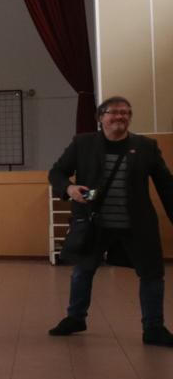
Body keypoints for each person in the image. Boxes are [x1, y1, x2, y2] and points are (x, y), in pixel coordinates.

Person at [48, 96, 173, 345]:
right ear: (100, 117)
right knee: (82, 271)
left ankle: (154, 328)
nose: (121, 117)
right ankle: (75, 318)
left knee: (152, 274)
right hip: (95, 221)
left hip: (137, 224)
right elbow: (57, 172)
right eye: (114, 112)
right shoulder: (83, 143)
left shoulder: (146, 146)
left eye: (126, 113)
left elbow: (167, 186)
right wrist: (69, 189)